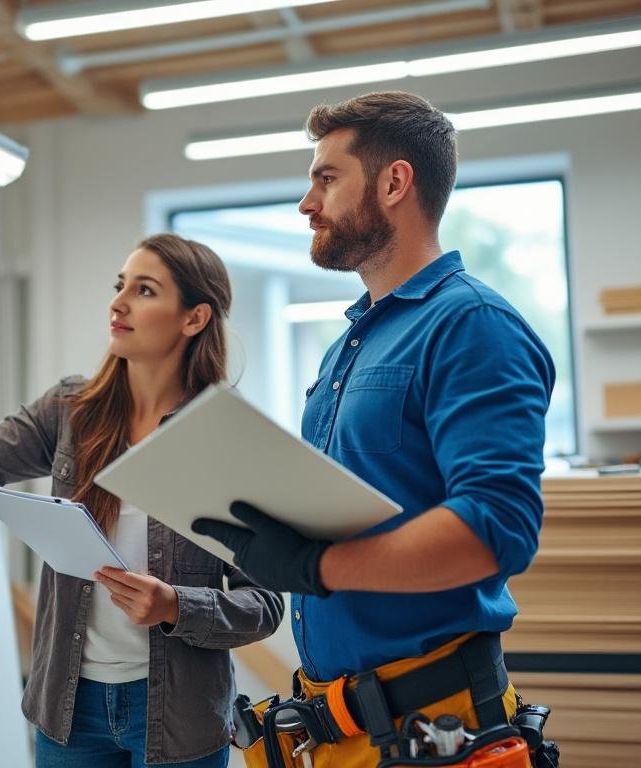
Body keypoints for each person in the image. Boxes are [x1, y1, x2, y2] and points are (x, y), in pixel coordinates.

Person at [193, 91, 557, 768]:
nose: (307, 205)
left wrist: (315, 567)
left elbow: (495, 528)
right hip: (335, 730)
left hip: (434, 729)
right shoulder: (350, 345)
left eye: (327, 179)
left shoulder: (471, 325)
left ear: (395, 182)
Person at [0, 233, 284, 768]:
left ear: (194, 318)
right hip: (70, 713)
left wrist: (173, 605)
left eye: (144, 290)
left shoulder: (226, 439)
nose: (118, 302)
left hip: (180, 720)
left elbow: (263, 604)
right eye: (120, 285)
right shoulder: (72, 410)